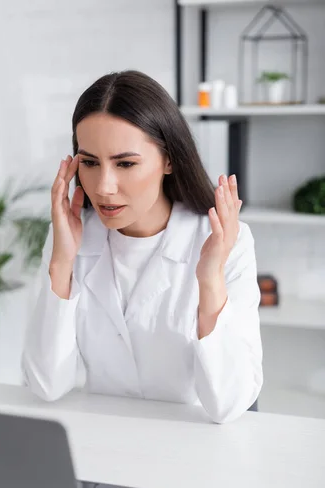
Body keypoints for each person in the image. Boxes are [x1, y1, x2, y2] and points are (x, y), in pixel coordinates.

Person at [22, 70, 263, 423]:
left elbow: (229, 404)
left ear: (169, 159)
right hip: (104, 446)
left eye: (125, 163)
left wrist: (210, 279)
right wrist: (61, 265)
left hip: (196, 453)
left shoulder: (228, 241)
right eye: (89, 162)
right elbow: (46, 385)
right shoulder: (69, 239)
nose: (103, 186)